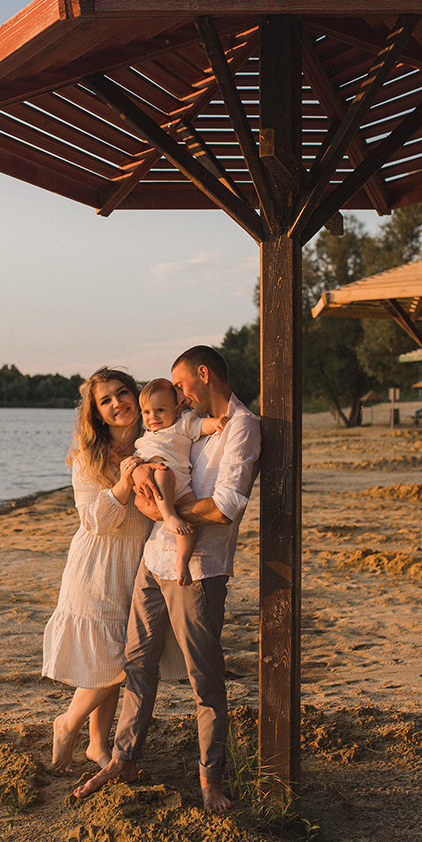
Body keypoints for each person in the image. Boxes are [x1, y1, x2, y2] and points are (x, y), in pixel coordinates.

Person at [74, 345, 261, 812]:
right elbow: (146, 492)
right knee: (137, 663)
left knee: (204, 678)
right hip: (152, 562)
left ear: (202, 375)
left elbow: (224, 508)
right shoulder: (186, 425)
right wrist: (152, 499)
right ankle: (123, 758)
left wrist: (166, 509)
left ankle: (210, 779)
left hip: (198, 573)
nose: (177, 396)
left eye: (180, 386)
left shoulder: (242, 426)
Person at [42, 367, 183, 774]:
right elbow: (95, 522)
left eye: (122, 393)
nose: (117, 403)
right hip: (98, 566)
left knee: (118, 658)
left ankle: (97, 745)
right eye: (106, 400)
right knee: (111, 663)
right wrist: (122, 484)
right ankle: (66, 724)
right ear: (97, 412)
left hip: (138, 563)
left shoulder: (152, 440)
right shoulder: (89, 457)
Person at [134, 377, 228, 587]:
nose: (153, 417)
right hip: (160, 483)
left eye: (160, 410)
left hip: (181, 484)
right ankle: (168, 516)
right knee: (162, 471)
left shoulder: (182, 424)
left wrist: (217, 423)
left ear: (177, 411)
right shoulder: (145, 436)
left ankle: (182, 561)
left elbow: (201, 425)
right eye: (147, 412)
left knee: (191, 523)